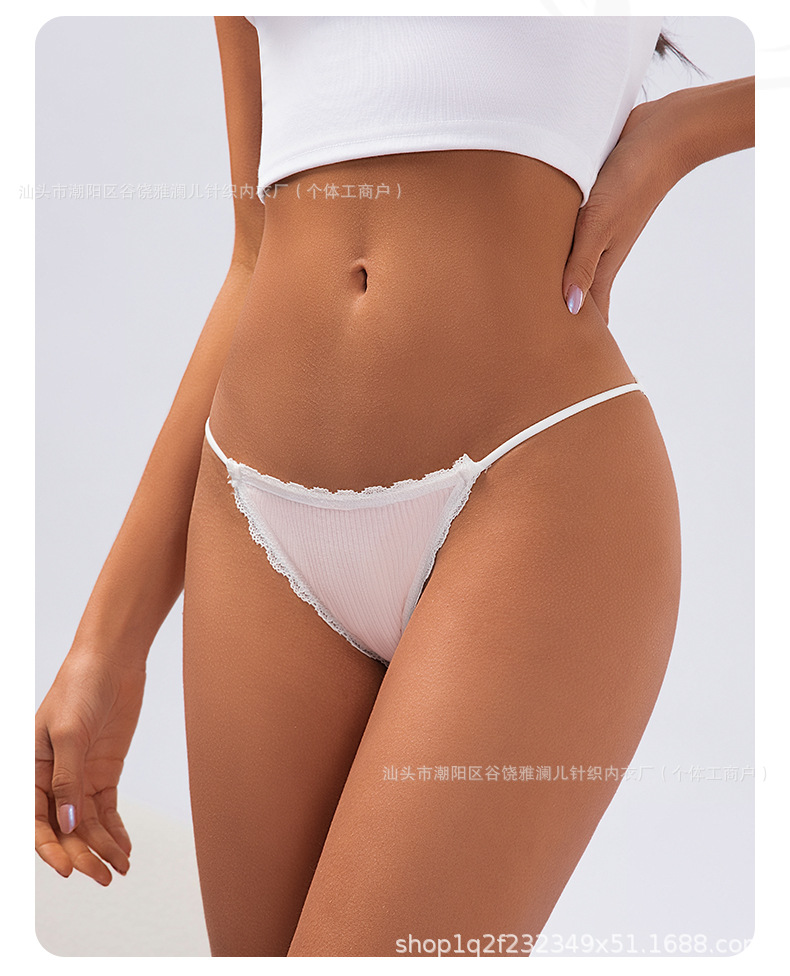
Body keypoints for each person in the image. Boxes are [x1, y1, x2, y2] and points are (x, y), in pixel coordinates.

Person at [35, 15, 755, 957]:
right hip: (254, 519)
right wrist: (106, 644)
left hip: (530, 484)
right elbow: (253, 252)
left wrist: (690, 128)